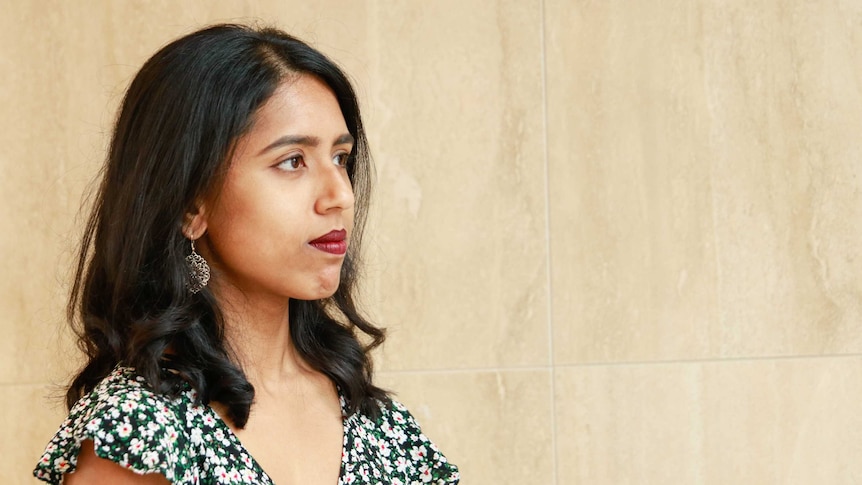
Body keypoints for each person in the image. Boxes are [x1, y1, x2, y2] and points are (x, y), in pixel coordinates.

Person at [33, 23, 459, 485]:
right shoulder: (142, 431)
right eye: (292, 161)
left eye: (340, 158)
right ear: (191, 204)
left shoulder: (375, 420)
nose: (340, 195)